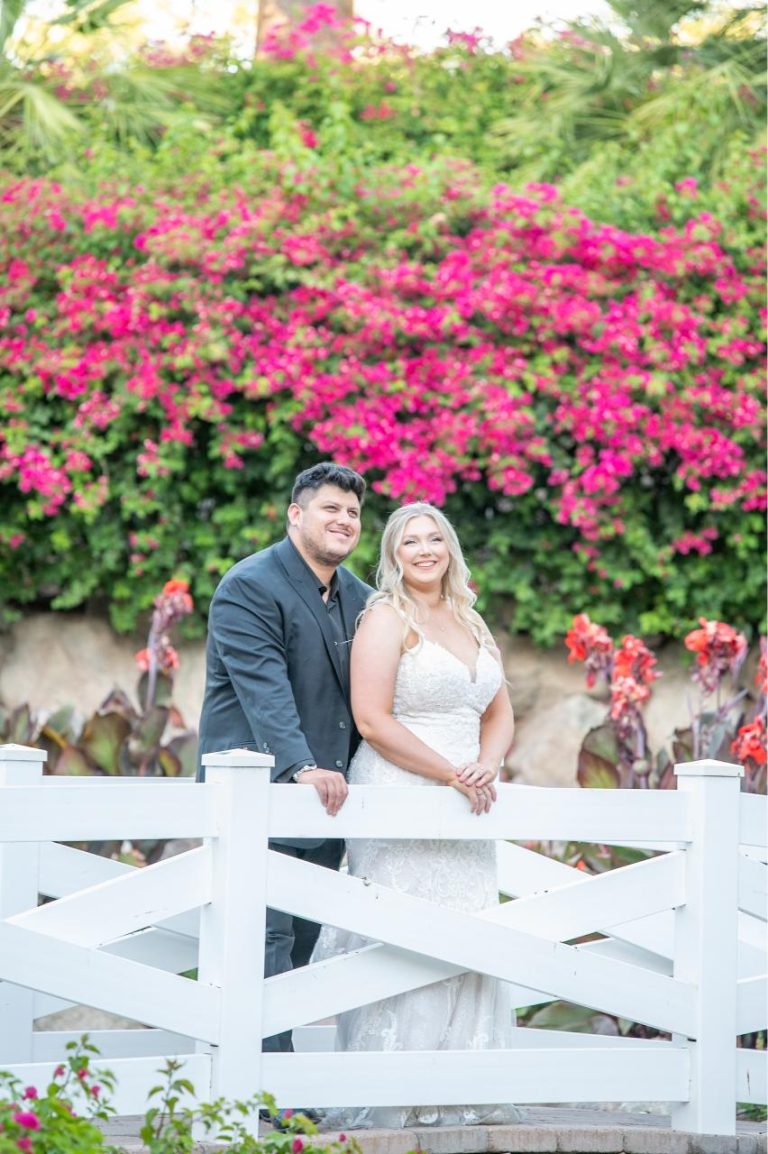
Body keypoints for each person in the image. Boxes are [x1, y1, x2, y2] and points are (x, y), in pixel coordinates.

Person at [314, 502, 522, 1129]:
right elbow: (373, 720)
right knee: (406, 929)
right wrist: (449, 772)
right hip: (403, 785)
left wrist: (486, 762)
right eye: (411, 542)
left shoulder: (471, 618)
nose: (425, 550)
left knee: (469, 927)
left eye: (435, 539)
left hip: (469, 800)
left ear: (450, 548)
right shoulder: (385, 618)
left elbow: (499, 710)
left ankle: (458, 1088)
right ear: (394, 555)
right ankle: (393, 1093)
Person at [197, 461, 371, 1055]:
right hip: (260, 793)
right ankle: (265, 1092)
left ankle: (278, 1079)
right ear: (296, 514)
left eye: (352, 512)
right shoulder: (249, 585)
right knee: (261, 941)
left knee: (301, 944)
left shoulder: (363, 598)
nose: (344, 520)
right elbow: (264, 692)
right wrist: (300, 766)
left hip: (329, 803)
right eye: (330, 508)